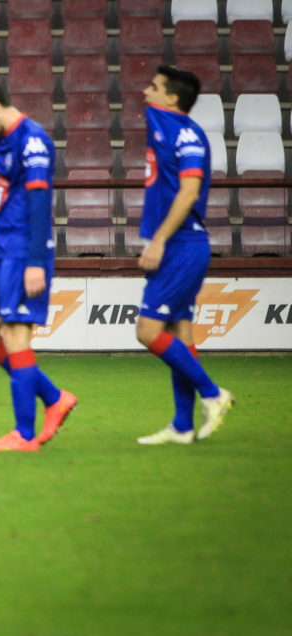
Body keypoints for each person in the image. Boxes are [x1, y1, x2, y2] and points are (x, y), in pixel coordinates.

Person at [0, 75, 76, 452]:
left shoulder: (32, 138)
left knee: (16, 337)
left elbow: (41, 202)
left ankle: (24, 435)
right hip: (1, 255)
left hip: (24, 254)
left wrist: (36, 261)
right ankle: (54, 397)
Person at [134, 65, 234, 445]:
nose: (146, 91)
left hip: (181, 244)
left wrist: (158, 241)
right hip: (179, 244)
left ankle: (213, 393)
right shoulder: (164, 126)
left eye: (154, 86)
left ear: (172, 98)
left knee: (148, 331)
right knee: (180, 331)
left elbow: (190, 193)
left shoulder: (188, 135)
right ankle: (181, 425)